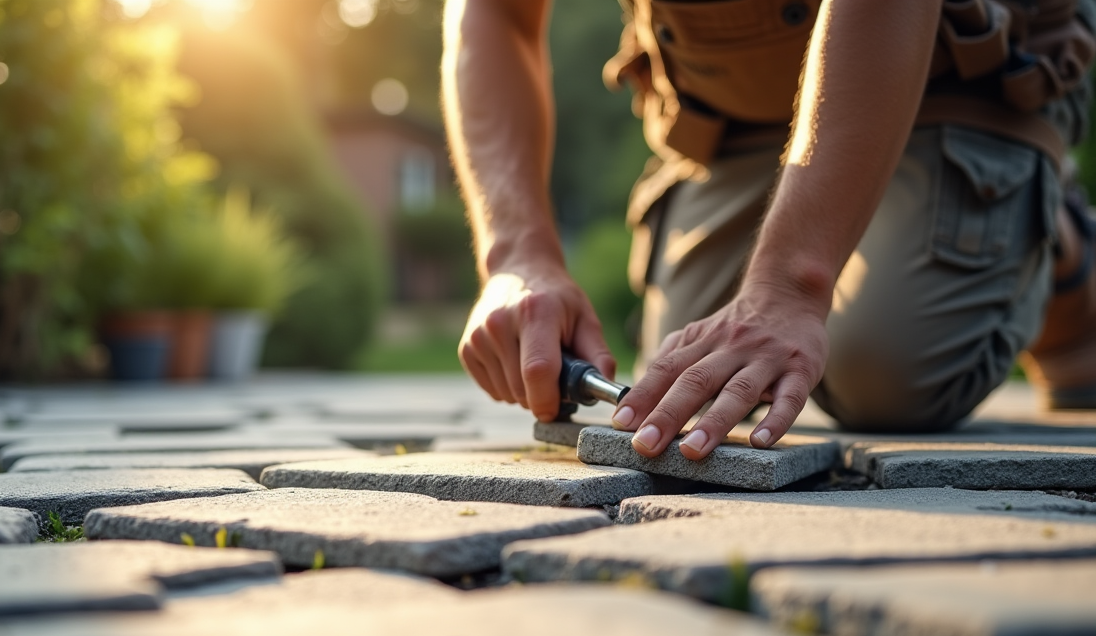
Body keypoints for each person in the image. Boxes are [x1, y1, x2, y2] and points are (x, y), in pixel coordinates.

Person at [442, 0, 1096, 462]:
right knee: (691, 378)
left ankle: (1058, 249)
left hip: (953, 69)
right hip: (733, 111)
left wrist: (790, 283)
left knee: (885, 375)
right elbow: (494, 13)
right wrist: (516, 258)